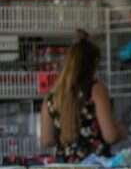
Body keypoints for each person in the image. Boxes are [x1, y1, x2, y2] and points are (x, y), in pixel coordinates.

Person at [40, 31, 123, 162]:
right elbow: (110, 136)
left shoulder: (51, 97)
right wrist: (122, 131)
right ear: (93, 64)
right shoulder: (96, 90)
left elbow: (47, 140)